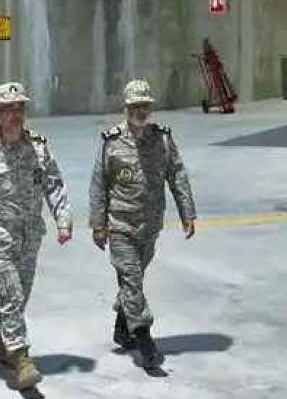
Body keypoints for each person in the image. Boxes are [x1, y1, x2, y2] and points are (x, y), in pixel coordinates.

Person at [0, 82, 73, 390]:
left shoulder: (38, 146)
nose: (15, 115)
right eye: (9, 109)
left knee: (19, 298)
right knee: (11, 296)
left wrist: (63, 220)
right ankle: (22, 360)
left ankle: (3, 346)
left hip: (30, 238)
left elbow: (54, 183)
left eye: (19, 108)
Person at [90, 79, 198, 370]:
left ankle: (122, 327)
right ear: (126, 108)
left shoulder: (162, 139)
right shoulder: (110, 141)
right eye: (135, 106)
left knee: (132, 281)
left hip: (150, 226)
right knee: (131, 277)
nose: (140, 111)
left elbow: (177, 175)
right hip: (121, 226)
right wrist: (98, 225)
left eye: (145, 106)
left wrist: (187, 213)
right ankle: (144, 339)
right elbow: (98, 185)